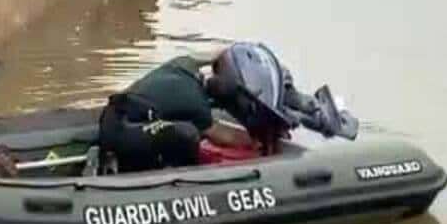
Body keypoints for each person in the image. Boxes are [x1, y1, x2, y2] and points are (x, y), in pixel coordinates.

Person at [98, 43, 357, 174]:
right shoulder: (194, 102)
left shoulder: (184, 65)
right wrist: (257, 141)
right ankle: (184, 178)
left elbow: (219, 52)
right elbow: (224, 135)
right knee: (187, 135)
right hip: (122, 132)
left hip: (118, 116)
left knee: (184, 130)